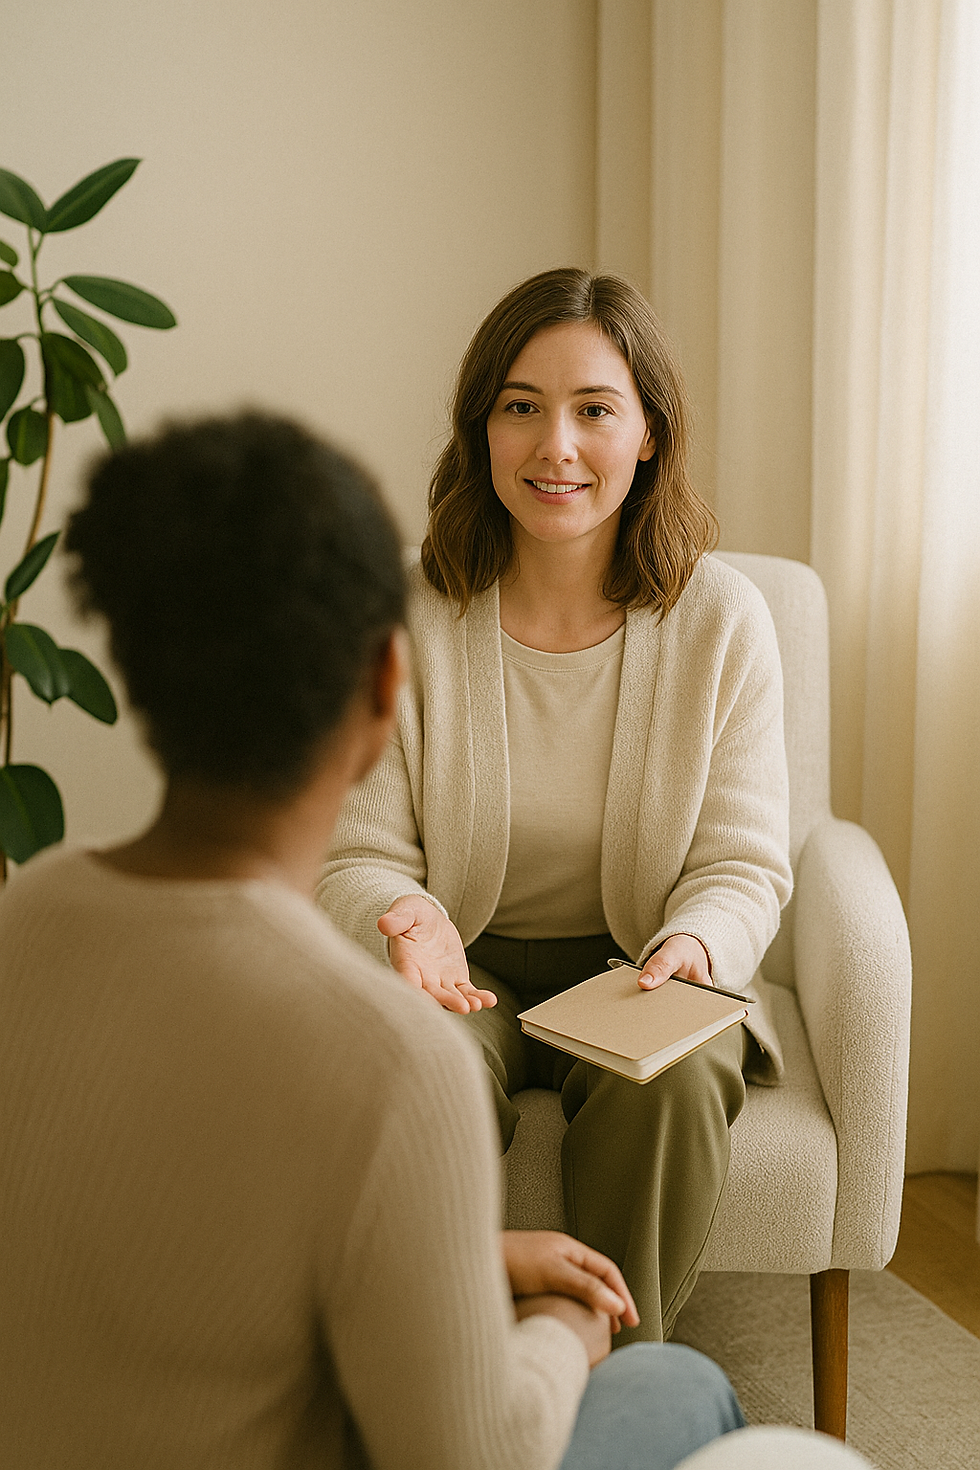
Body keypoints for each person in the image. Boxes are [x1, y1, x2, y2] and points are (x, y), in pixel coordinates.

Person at [0, 411, 745, 1469]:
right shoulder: (390, 1061)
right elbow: (469, 1456)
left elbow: (194, 1251)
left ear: (131, 670)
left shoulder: (26, 928)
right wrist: (560, 1331)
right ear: (389, 683)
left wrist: (472, 1260)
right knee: (680, 1385)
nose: (557, 443)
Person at [319, 268, 794, 1343]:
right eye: (521, 407)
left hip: (638, 970)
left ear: (649, 435)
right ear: (480, 429)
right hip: (459, 966)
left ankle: (612, 1374)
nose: (556, 447)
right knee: (408, 1066)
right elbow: (356, 852)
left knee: (677, 1075)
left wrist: (693, 946)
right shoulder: (399, 612)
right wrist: (407, 919)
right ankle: (433, 1370)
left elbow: (742, 864)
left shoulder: (722, 620)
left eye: (594, 410)